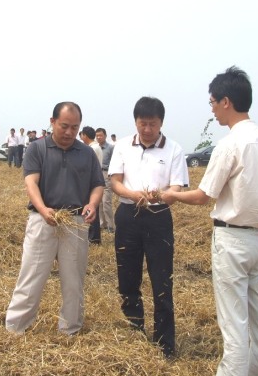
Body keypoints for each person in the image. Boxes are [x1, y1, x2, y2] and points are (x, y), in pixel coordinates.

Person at [162, 66, 258, 376]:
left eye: (213, 103)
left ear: (226, 102)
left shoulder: (230, 145)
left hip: (232, 241)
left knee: (234, 322)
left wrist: (171, 195)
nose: (212, 109)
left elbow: (204, 196)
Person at [5, 102, 104, 335]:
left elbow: (97, 184)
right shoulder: (37, 148)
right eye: (64, 126)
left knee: (74, 279)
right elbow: (31, 182)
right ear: (52, 122)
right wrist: (43, 209)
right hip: (43, 220)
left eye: (74, 127)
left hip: (75, 222)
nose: (69, 132)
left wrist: (92, 204)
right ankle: (16, 327)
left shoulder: (87, 153)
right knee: (31, 274)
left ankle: (70, 328)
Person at [109, 96, 188, 358]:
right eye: (142, 124)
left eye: (152, 124)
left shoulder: (174, 149)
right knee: (127, 276)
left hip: (159, 216)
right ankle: (134, 332)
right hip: (128, 214)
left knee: (161, 278)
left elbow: (176, 188)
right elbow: (115, 182)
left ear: (161, 123)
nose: (147, 129)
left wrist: (161, 195)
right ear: (135, 122)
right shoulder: (122, 146)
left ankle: (165, 343)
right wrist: (133, 195)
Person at [80, 126, 103, 244]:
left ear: (85, 135)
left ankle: (93, 237)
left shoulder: (91, 149)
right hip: (95, 179)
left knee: (91, 208)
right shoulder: (96, 147)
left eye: (81, 135)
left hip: (91, 180)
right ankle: (94, 237)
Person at [95, 127, 115, 232]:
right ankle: (102, 224)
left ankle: (111, 225)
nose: (99, 137)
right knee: (99, 201)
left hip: (107, 174)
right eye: (97, 136)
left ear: (105, 136)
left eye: (100, 135)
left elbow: (114, 162)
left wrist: (111, 175)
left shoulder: (111, 148)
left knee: (106, 201)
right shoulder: (95, 148)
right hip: (98, 174)